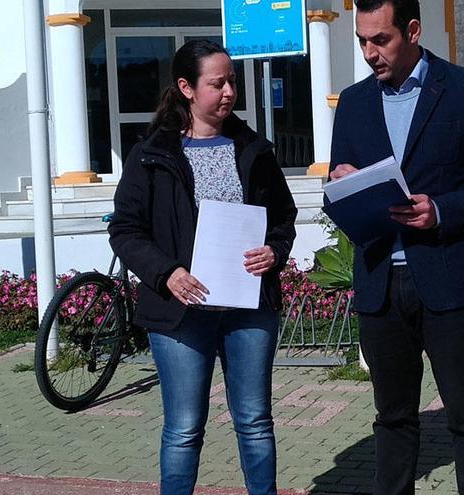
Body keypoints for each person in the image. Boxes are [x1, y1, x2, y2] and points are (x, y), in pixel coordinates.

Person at [328, 1, 464, 494]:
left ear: (412, 30)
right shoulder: (352, 102)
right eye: (362, 41)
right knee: (392, 420)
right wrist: (343, 182)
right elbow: (339, 182)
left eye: (381, 40)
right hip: (378, 286)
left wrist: (440, 211)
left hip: (448, 280)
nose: (370, 52)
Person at [108, 39, 297, 495]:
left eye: (231, 81)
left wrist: (274, 251)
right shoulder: (152, 155)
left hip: (248, 307)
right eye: (218, 83)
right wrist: (167, 273)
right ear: (186, 88)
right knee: (184, 428)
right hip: (180, 314)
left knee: (254, 421)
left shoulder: (254, 149)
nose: (229, 91)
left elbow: (283, 219)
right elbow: (127, 230)